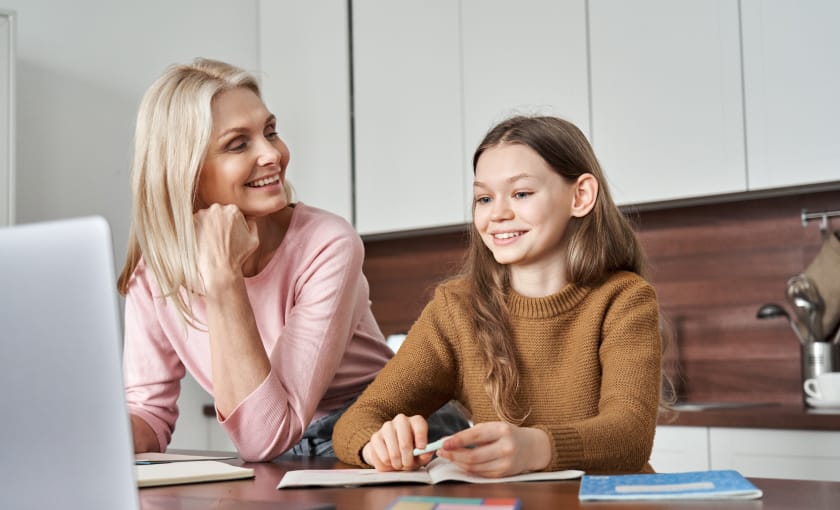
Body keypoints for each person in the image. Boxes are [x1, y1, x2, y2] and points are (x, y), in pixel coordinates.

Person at [333, 115, 665, 477]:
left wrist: (536, 447)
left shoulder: (624, 300)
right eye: (484, 198)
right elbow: (356, 421)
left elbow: (629, 436)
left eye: (521, 193)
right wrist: (377, 444)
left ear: (580, 196)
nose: (498, 214)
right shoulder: (456, 308)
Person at [117, 58, 394, 462]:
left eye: (270, 132)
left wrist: (223, 277)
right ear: (186, 172)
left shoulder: (327, 244)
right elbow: (149, 415)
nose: (273, 154)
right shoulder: (153, 275)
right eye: (238, 143)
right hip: (288, 455)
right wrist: (82, 434)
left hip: (380, 433)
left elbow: (265, 435)